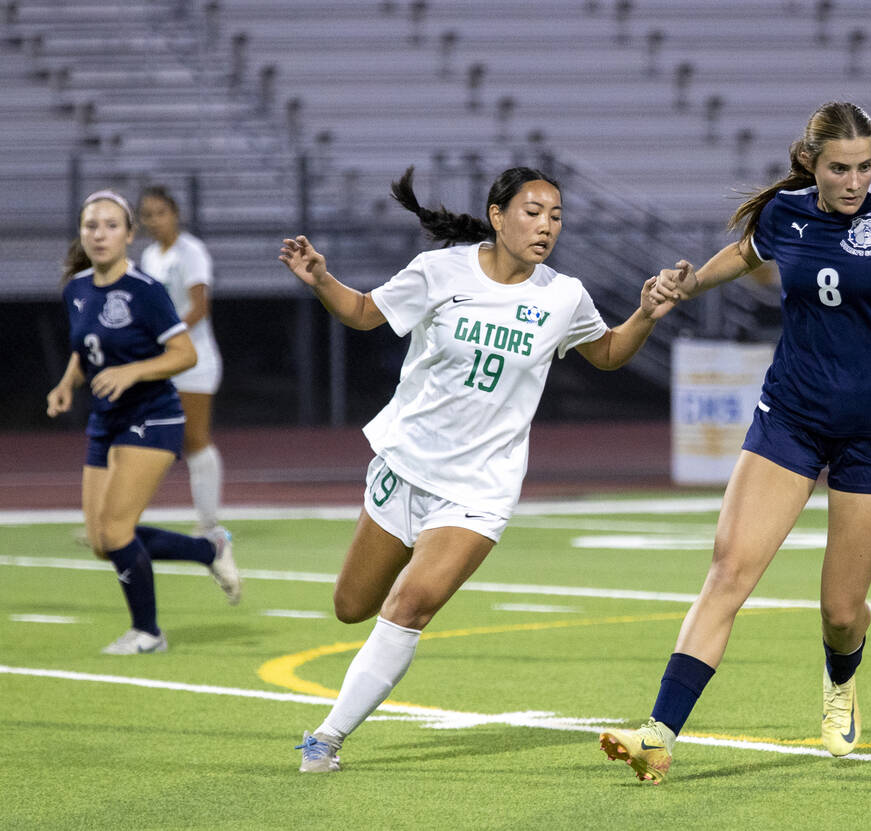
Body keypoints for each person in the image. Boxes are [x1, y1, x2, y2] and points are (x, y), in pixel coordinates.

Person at [599, 101, 871, 783]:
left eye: (866, 166)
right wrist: (681, 286)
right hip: (789, 416)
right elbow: (742, 253)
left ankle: (840, 677)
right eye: (840, 167)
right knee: (729, 570)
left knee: (842, 612)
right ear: (811, 163)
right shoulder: (786, 214)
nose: (855, 181)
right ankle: (659, 733)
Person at [280, 165, 680, 773]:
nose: (547, 226)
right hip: (405, 466)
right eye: (532, 212)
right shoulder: (441, 271)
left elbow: (605, 353)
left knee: (409, 607)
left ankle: (326, 739)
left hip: (480, 489)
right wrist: (320, 278)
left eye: (556, 216)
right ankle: (344, 707)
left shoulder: (562, 294)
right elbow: (363, 313)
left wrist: (645, 314)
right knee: (351, 606)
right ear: (497, 216)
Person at [46, 190, 242, 655]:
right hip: (105, 421)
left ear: (130, 235)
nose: (100, 234)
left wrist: (132, 371)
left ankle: (148, 633)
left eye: (112, 225)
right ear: (81, 233)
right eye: (91, 225)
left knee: (117, 532)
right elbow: (86, 346)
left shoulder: (145, 291)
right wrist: (66, 383)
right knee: (101, 541)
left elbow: (184, 353)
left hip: (152, 417)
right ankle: (207, 550)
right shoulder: (76, 288)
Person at [137, 185, 225, 534]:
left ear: (175, 214)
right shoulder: (149, 256)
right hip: (162, 360)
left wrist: (167, 332)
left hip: (194, 359)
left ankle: (208, 523)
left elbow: (199, 307)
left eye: (161, 212)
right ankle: (123, 518)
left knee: (194, 438)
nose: (154, 221)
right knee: (147, 436)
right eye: (147, 215)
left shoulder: (191, 251)